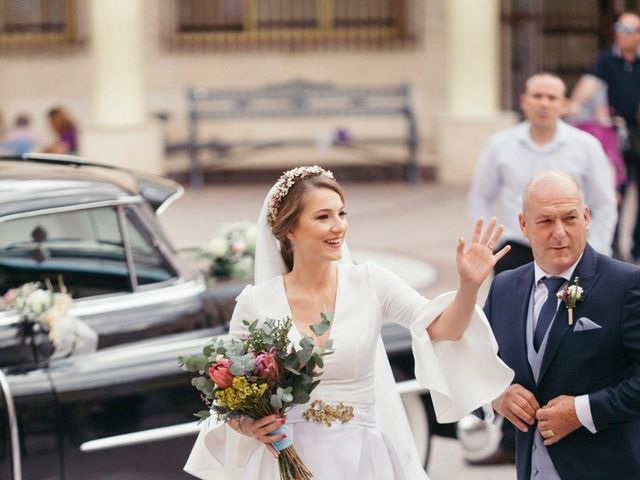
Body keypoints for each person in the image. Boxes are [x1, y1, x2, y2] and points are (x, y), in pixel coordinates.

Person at [184, 165, 514, 479]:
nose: (338, 226)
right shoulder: (255, 302)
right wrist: (249, 426)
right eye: (323, 217)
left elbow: (444, 329)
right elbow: (228, 396)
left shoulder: (371, 281)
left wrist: (469, 287)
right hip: (283, 459)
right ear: (289, 230)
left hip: (362, 458)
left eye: (341, 214)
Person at [482, 171, 640, 479]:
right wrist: (496, 397)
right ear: (524, 225)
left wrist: (584, 411)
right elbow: (476, 365)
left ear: (586, 217)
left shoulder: (627, 285)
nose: (560, 233)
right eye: (545, 221)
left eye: (569, 218)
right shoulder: (505, 287)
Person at [469, 72, 618, 273]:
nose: (544, 104)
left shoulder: (587, 146)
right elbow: (480, 196)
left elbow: (604, 203)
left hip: (571, 252)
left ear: (564, 104)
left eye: (551, 97)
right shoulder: (500, 145)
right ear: (524, 101)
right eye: (537, 96)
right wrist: (490, 246)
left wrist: (596, 251)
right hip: (516, 251)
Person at [570, 12, 640, 261]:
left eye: (629, 29)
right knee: (614, 192)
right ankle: (614, 249)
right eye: (619, 28)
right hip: (615, 135)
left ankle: (637, 249)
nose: (622, 33)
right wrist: (571, 105)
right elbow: (590, 83)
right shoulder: (607, 59)